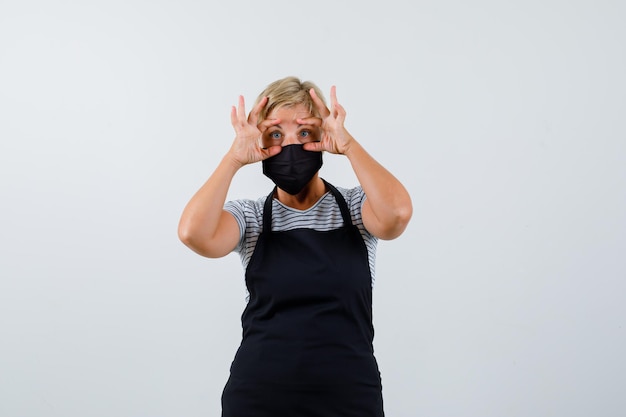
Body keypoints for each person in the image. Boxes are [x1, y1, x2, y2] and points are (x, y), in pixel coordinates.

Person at [178, 76, 412, 416]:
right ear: (259, 141)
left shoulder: (359, 209)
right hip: (259, 398)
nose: (290, 146)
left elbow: (397, 216)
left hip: (349, 398)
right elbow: (193, 234)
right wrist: (232, 159)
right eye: (275, 134)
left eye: (304, 132)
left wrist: (349, 145)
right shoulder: (252, 216)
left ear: (322, 137)